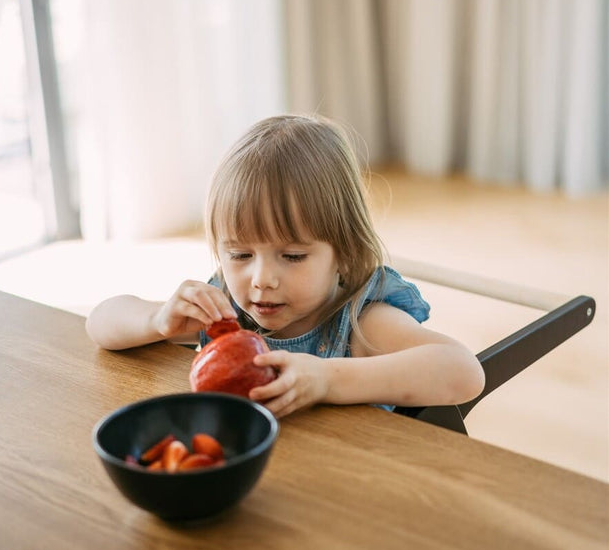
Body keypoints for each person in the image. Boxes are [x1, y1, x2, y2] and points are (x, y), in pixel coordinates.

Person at [86, 114, 485, 417]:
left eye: (292, 256)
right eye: (240, 255)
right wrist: (157, 319)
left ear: (344, 252)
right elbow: (100, 323)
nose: (260, 281)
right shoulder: (224, 310)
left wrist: (327, 379)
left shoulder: (362, 323)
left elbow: (463, 371)